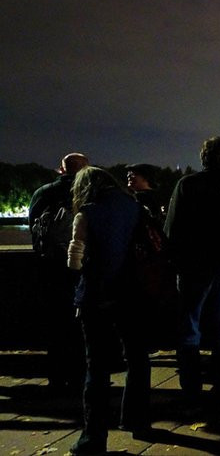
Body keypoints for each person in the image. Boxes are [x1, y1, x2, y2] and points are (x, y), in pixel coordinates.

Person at [164, 137, 220, 410]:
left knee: (190, 326)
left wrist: (178, 259)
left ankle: (191, 389)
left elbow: (171, 230)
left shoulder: (187, 185)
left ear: (203, 157)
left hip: (195, 265)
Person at [65, 166, 150, 454]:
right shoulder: (133, 206)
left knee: (97, 368)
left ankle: (94, 438)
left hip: (97, 296)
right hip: (131, 294)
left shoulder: (86, 213)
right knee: (138, 358)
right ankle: (137, 419)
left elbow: (74, 261)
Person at [28, 152, 89, 393]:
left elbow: (34, 228)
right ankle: (79, 376)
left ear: (61, 170)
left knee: (55, 323)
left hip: (51, 267)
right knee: (81, 324)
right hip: (82, 267)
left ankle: (56, 375)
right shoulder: (90, 193)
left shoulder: (43, 193)